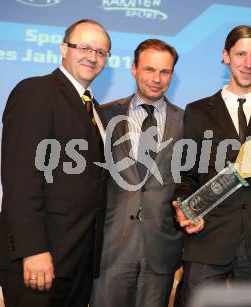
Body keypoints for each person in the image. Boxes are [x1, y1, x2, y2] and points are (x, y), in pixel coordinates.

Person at [0, 19, 111, 306]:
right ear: (63, 49)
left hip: (76, 263)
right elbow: (22, 178)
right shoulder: (36, 92)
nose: (92, 57)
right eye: (84, 47)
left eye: (101, 52)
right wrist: (33, 250)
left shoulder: (97, 111)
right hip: (39, 261)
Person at [172, 25, 251, 306]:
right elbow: (186, 174)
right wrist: (184, 208)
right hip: (207, 237)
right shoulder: (198, 111)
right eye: (240, 54)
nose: (248, 63)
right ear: (226, 56)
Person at [90, 39, 183, 307]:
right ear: (133, 69)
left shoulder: (186, 121)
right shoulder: (103, 115)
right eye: (149, 69)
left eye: (165, 72)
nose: (157, 79)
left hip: (161, 249)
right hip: (112, 246)